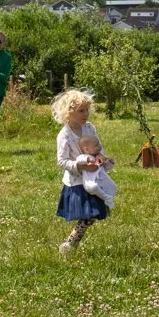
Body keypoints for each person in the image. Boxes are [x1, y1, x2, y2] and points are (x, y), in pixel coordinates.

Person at [52, 89, 111, 254]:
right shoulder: (64, 135)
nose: (86, 114)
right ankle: (69, 244)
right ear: (68, 112)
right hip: (77, 182)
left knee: (91, 216)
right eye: (81, 111)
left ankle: (70, 244)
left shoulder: (89, 128)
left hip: (93, 178)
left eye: (87, 110)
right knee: (89, 215)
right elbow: (62, 161)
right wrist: (81, 166)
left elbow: (98, 146)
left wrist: (100, 156)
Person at [77, 131, 119, 205]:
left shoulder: (98, 158)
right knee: (93, 187)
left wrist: (110, 163)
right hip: (89, 181)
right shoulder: (84, 156)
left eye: (99, 144)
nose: (99, 146)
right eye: (96, 145)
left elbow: (105, 168)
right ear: (87, 150)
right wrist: (88, 160)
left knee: (113, 186)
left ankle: (109, 198)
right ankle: (106, 198)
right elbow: (78, 160)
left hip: (100, 180)